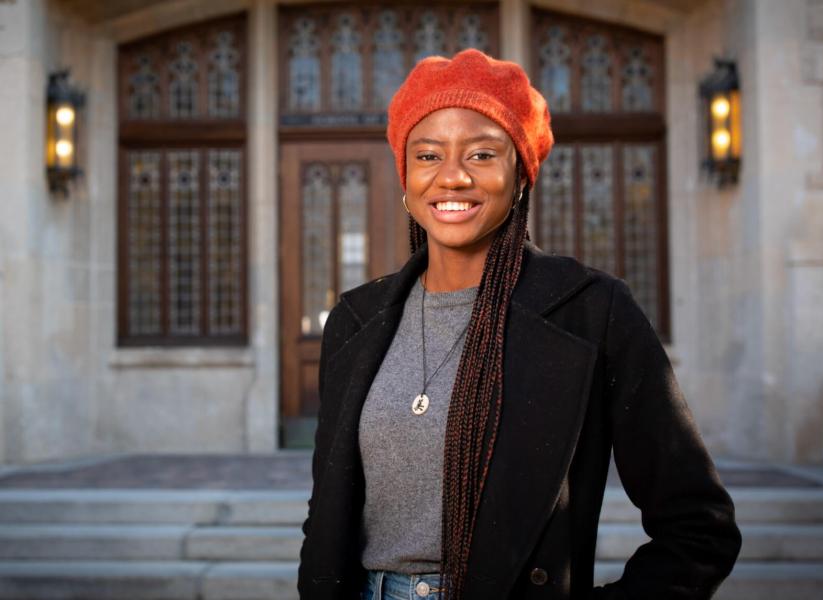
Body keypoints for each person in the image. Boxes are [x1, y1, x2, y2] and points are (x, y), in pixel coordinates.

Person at [297, 48, 741, 600]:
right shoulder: (356, 319)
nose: (452, 177)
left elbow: (699, 528)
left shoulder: (590, 312)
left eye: (482, 154)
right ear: (406, 179)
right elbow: (328, 511)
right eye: (428, 155)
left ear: (521, 174)